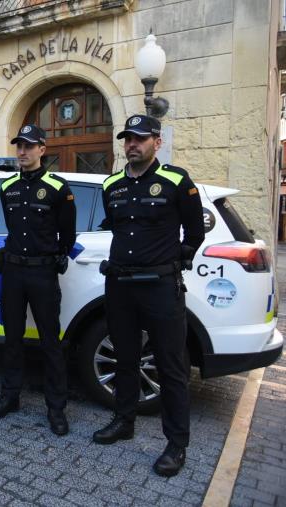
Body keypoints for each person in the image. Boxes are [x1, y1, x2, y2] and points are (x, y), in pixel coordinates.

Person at [93, 114, 204, 477]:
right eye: (127, 139)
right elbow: (115, 225)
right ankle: (124, 421)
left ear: (157, 142)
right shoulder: (112, 185)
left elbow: (194, 231)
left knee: (171, 367)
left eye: (140, 139)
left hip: (160, 287)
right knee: (125, 359)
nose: (132, 145)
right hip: (121, 286)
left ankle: (176, 445)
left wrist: (176, 260)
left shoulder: (175, 180)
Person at [0, 124, 76, 436]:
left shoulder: (57, 187)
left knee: (50, 341)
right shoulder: (7, 186)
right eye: (18, 146)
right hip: (13, 272)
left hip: (42, 272)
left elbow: (68, 234)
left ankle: (56, 408)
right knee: (12, 338)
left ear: (42, 149)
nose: (22, 152)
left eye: (28, 146)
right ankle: (10, 397)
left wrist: (52, 257)